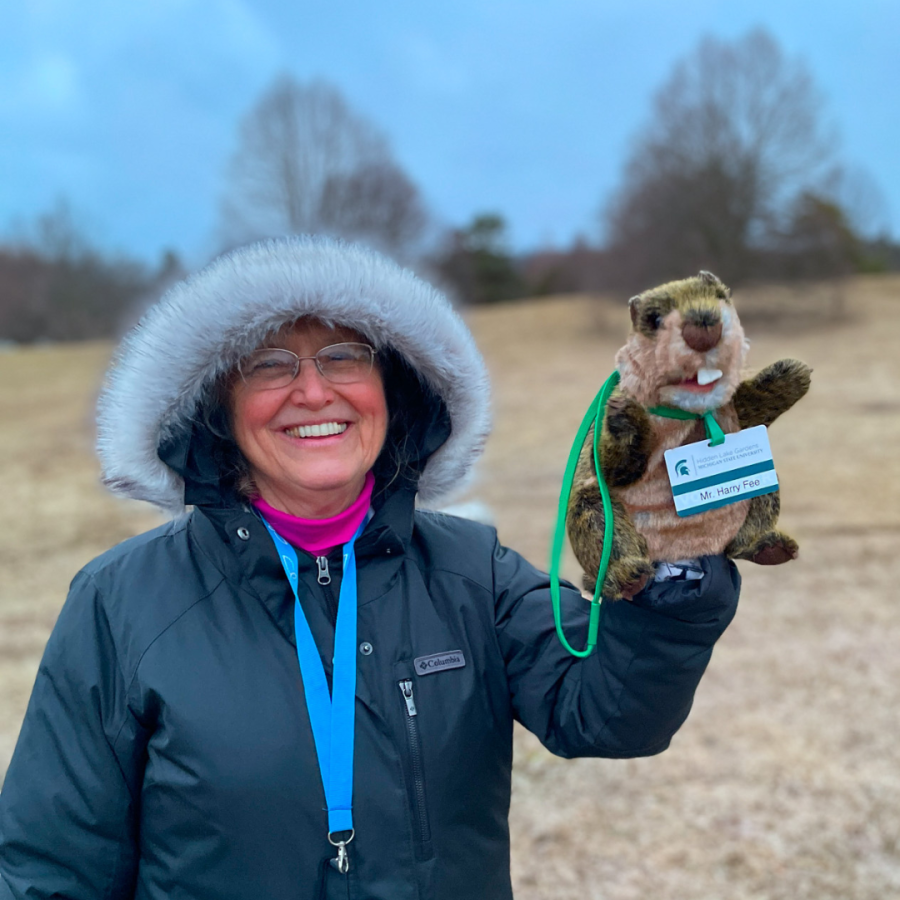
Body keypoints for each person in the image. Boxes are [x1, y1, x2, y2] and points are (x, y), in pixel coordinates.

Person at [0, 237, 740, 900]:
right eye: (270, 364)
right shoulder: (121, 603)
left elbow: (609, 712)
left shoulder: (471, 572)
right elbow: (51, 868)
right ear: (217, 408)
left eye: (345, 357)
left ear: (395, 391)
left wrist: (674, 569)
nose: (314, 391)